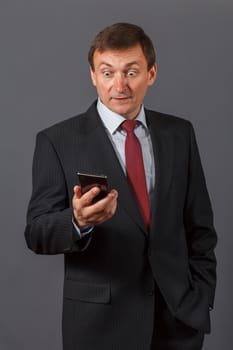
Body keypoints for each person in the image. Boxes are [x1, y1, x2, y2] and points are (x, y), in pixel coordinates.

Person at [24, 22, 217, 350]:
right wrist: (77, 221)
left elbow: (200, 228)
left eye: (131, 72)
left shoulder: (179, 134)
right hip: (99, 326)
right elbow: (36, 233)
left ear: (151, 73)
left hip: (178, 322)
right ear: (93, 76)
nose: (119, 85)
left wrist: (201, 295)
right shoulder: (58, 141)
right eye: (108, 72)